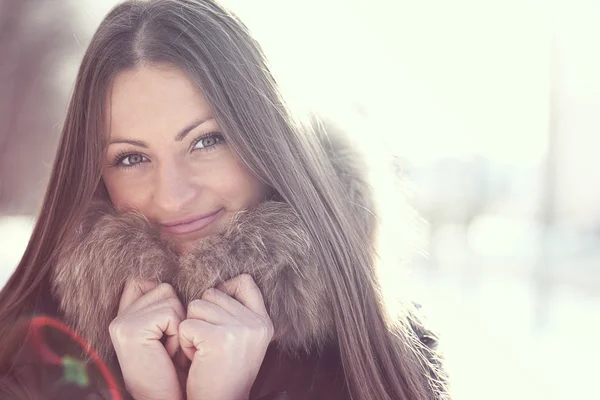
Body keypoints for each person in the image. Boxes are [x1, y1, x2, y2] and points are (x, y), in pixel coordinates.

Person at [0, 0, 448, 399]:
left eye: (206, 141)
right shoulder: (25, 360)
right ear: (95, 175)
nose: (173, 197)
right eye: (132, 157)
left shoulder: (384, 357)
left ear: (267, 141)